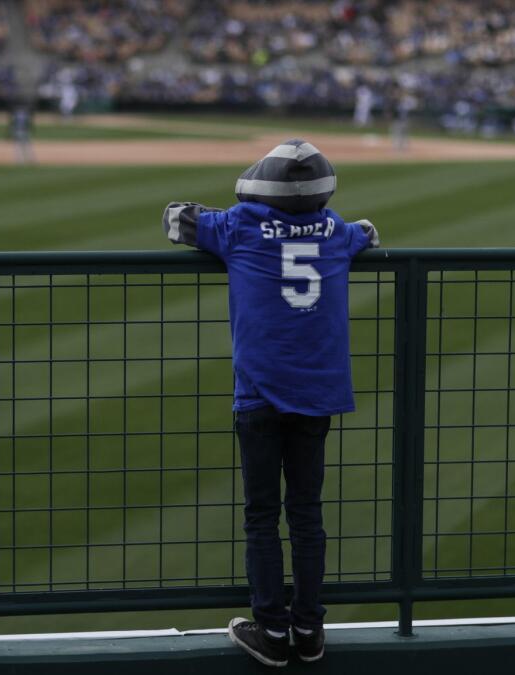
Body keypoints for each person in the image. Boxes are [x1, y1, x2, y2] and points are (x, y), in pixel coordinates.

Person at [162, 139, 379, 667]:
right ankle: (309, 628)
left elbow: (176, 220)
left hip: (258, 391)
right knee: (307, 513)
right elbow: (367, 234)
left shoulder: (240, 225)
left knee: (260, 514)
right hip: (319, 392)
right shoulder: (335, 231)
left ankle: (270, 631)